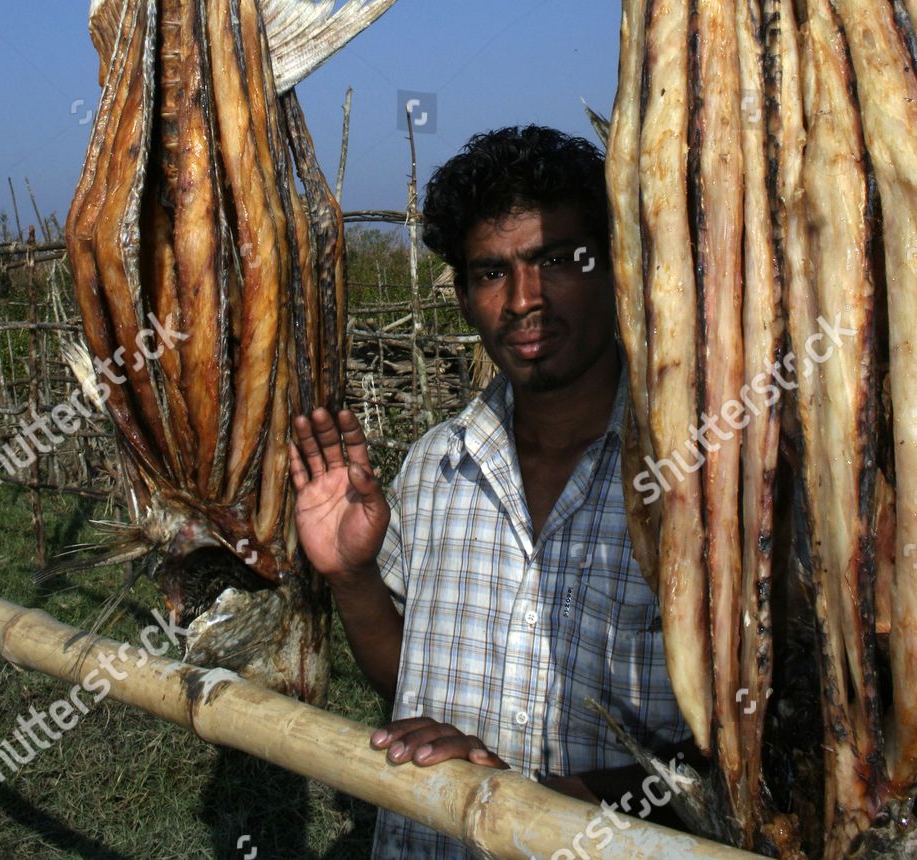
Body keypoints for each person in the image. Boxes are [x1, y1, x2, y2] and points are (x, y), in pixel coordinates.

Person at [289, 125, 689, 859]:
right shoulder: (437, 466)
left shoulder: (694, 485)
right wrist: (351, 578)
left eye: (557, 260)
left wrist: (524, 798)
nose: (524, 300)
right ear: (466, 298)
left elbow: (721, 772)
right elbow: (403, 676)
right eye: (491, 273)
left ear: (616, 267)